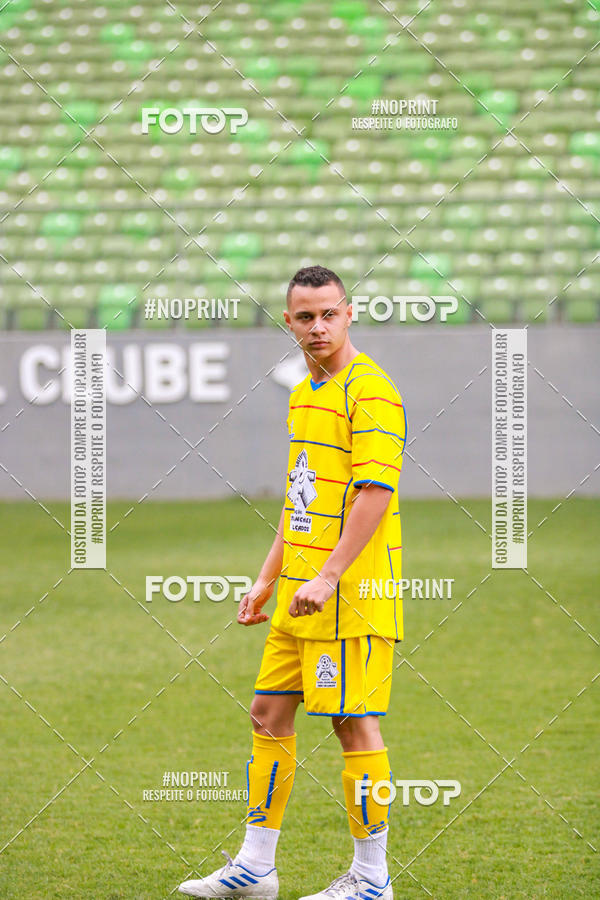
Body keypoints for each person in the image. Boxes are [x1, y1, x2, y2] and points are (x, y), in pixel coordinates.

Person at [179, 265, 407, 900]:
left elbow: (374, 495)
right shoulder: (304, 391)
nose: (318, 326)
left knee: (352, 727)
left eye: (329, 313)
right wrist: (265, 578)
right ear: (289, 322)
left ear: (350, 312)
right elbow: (300, 497)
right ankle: (255, 869)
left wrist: (331, 575)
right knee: (267, 714)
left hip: (350, 597)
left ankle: (371, 879)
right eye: (305, 316)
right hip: (298, 596)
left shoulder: (372, 392)